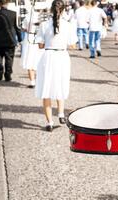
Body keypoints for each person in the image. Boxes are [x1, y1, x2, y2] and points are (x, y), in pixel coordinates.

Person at [35, 0, 76, 132]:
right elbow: (73, 45)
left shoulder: (43, 25)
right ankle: (61, 113)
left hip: (48, 57)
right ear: (64, 10)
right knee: (60, 84)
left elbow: (40, 45)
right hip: (62, 56)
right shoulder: (68, 25)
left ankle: (49, 122)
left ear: (51, 10)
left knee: (46, 88)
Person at [0, 0, 22, 81]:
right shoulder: (13, 14)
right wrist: (20, 39)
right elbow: (17, 28)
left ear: (0, 4)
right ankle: (8, 74)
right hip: (10, 40)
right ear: (7, 4)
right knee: (9, 57)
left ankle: (0, 70)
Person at [20, 9, 44, 88]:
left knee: (29, 59)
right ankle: (41, 81)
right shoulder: (43, 17)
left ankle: (32, 82)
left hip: (30, 37)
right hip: (40, 38)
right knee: (40, 59)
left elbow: (23, 28)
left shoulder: (28, 16)